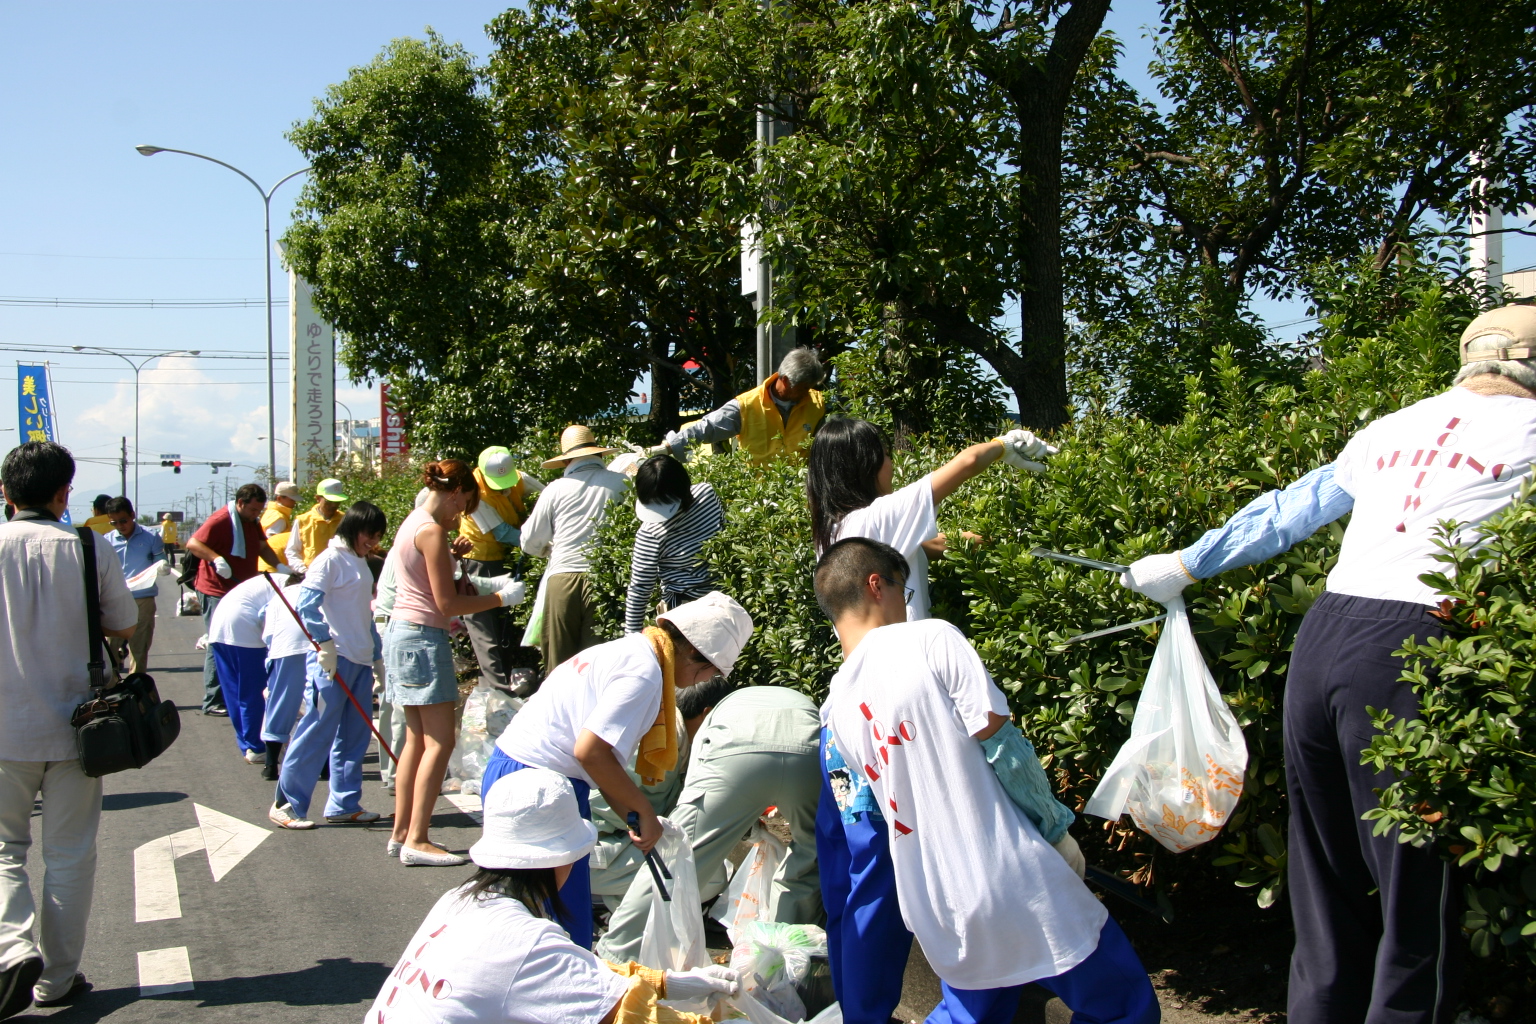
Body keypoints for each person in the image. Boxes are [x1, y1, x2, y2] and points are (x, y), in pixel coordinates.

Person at [1119, 304, 1536, 1023]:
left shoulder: (1394, 425)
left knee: (1325, 885)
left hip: (1326, 637)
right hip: (1415, 646)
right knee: (1416, 900)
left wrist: (1184, 564)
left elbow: (1288, 512)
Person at [816, 538, 1157, 1024]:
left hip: (936, 900)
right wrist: (1055, 831)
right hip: (1011, 874)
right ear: (877, 585)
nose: (906, 606)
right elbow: (1004, 749)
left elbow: (873, 812)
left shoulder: (836, 708)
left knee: (978, 1009)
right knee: (1125, 1006)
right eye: (903, 591)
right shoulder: (930, 639)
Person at [485, 591, 754, 949]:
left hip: (518, 770)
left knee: (527, 917)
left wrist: (634, 814)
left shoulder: (627, 651)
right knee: (558, 927)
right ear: (693, 652)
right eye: (710, 671)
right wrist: (643, 811)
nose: (699, 682)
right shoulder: (644, 673)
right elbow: (591, 752)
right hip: (540, 785)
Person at [366, 768, 739, 1024]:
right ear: (565, 857)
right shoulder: (526, 940)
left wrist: (665, 983)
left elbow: (576, 970)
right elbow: (631, 1016)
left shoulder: (461, 899)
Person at [0, 442, 137, 1014]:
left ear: (5, 493)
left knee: (5, 847)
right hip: (80, 727)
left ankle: (10, 949)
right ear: (64, 493)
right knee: (70, 854)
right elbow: (125, 623)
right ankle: (55, 980)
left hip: (3, 727)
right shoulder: (88, 546)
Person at [596, 680, 822, 964]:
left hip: (734, 751)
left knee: (677, 857)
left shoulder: (712, 717)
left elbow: (695, 803)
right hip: (810, 752)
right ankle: (783, 963)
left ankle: (616, 955)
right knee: (811, 856)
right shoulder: (792, 699)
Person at [384, 460, 527, 864]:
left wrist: (454, 557)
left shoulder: (413, 524)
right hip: (424, 637)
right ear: (453, 492)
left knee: (416, 739)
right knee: (441, 741)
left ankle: (401, 833)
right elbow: (447, 603)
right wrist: (499, 598)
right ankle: (419, 839)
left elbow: (425, 582)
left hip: (403, 634)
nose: (461, 514)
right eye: (463, 503)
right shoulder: (430, 532)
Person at [807, 417, 1055, 622]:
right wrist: (1004, 445)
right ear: (863, 466)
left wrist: (1003, 541)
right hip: (904, 666)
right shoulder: (877, 518)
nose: (892, 464)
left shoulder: (833, 532)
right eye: (885, 455)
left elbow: (930, 545)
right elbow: (967, 463)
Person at [269, 501, 390, 829]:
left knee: (355, 735)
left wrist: (376, 657)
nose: (373, 541)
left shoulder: (359, 560)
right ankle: (286, 804)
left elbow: (364, 614)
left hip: (360, 658)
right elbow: (306, 605)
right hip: (333, 660)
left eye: (378, 535)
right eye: (369, 533)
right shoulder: (329, 559)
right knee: (317, 730)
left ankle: (344, 803)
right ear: (352, 528)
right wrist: (324, 644)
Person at [522, 425, 628, 669]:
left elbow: (529, 541)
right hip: (605, 578)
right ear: (600, 454)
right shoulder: (621, 483)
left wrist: (549, 549)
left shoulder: (555, 489)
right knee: (597, 663)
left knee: (560, 666)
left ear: (566, 460)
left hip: (562, 580)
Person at [186, 484, 290, 717]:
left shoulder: (250, 522)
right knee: (219, 640)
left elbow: (262, 546)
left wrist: (280, 566)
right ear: (240, 503)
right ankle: (213, 699)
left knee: (244, 640)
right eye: (253, 510)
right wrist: (216, 558)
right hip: (216, 588)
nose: (256, 515)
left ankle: (237, 691)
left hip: (242, 587)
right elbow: (193, 543)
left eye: (259, 511)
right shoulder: (221, 519)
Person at [459, 446, 542, 692]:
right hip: (481, 561)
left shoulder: (516, 477)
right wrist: (542, 542)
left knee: (505, 626)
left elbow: (547, 496)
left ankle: (506, 684)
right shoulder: (474, 494)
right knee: (486, 630)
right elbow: (503, 533)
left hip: (507, 558)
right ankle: (497, 691)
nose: (502, 487)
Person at [652, 347, 828, 463]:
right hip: (758, 498)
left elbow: (826, 447)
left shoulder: (816, 403)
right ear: (785, 380)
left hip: (799, 496)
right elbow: (706, 428)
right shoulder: (746, 405)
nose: (807, 393)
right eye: (803, 388)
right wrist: (668, 447)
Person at [624, 455, 726, 634]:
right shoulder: (650, 533)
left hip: (710, 605)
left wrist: (631, 638)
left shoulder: (706, 494)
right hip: (694, 610)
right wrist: (632, 638)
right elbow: (640, 588)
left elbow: (640, 588)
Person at [207, 574, 286, 765]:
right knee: (254, 691)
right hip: (244, 628)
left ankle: (248, 745)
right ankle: (257, 746)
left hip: (219, 627)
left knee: (234, 690)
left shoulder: (279, 580)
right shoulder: (297, 589)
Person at [105, 496, 168, 676]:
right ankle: (112, 686)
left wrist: (162, 565)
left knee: (139, 646)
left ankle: (136, 687)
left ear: (132, 515)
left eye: (123, 521)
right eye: (114, 522)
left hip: (143, 597)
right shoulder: (107, 541)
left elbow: (159, 559)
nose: (120, 526)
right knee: (110, 646)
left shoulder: (150, 537)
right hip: (116, 599)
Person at [259, 575, 312, 781]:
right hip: (316, 647)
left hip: (285, 650)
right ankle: (323, 766)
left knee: (279, 704)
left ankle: (271, 764)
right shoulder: (317, 591)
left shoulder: (277, 598)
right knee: (319, 704)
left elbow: (268, 636)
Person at [283, 477, 348, 573]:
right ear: (318, 498)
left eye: (337, 501)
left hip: (340, 573)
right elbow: (292, 551)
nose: (334, 505)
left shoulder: (345, 520)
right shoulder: (303, 520)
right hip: (311, 573)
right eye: (329, 501)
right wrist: (302, 570)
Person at [258, 481, 301, 572]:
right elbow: (272, 543)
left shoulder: (271, 513)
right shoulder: (278, 518)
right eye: (291, 499)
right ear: (279, 498)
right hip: (273, 566)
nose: (294, 503)